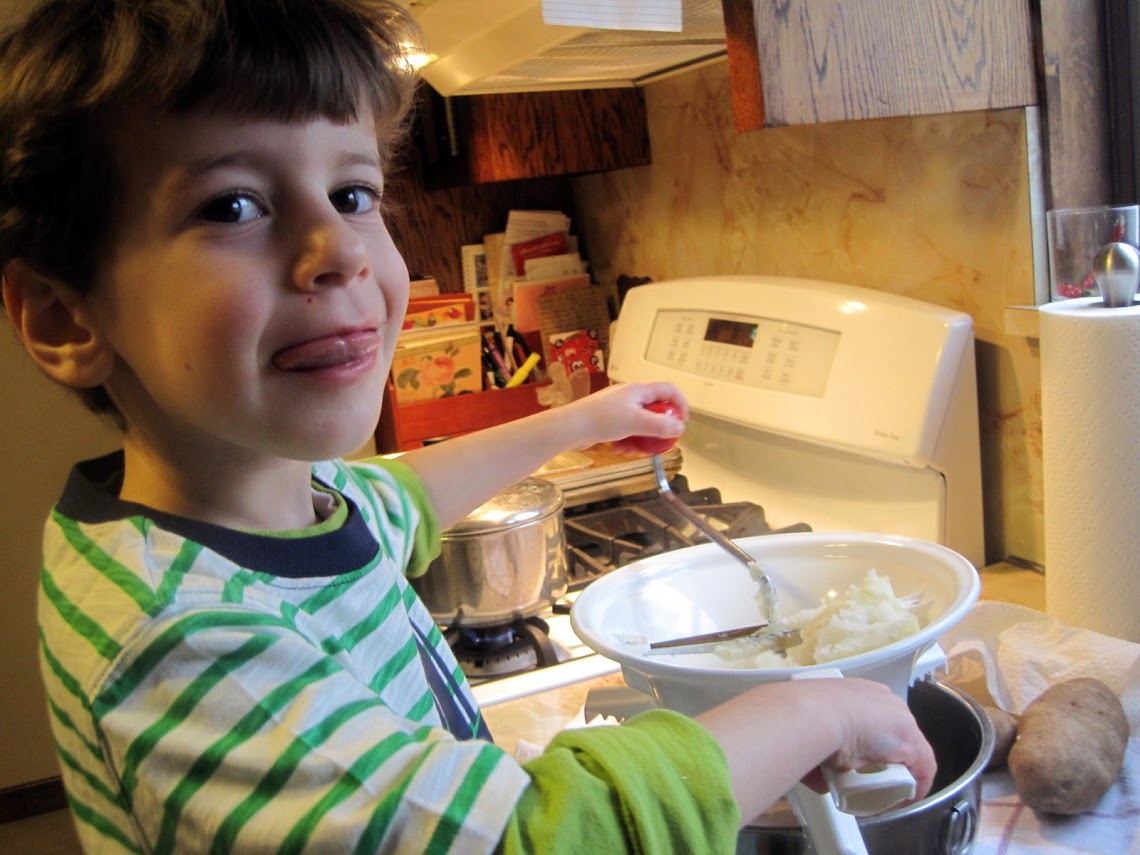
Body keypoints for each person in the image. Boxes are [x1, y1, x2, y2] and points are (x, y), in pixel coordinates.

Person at [0, 0, 936, 852]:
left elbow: (404, 496)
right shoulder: (186, 643)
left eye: (354, 194)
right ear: (64, 317)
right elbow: (534, 838)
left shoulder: (264, 505)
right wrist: (811, 710)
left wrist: (585, 418)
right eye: (233, 206)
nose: (336, 252)